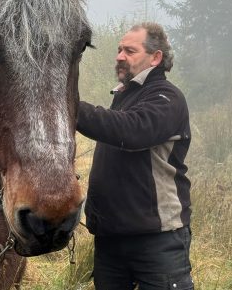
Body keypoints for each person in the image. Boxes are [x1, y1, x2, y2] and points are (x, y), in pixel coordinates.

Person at [77, 22, 194, 290]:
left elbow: (132, 131)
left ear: (156, 57)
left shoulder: (167, 97)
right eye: (119, 50)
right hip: (111, 240)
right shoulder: (124, 96)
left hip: (157, 242)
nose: (119, 56)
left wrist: (68, 105)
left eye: (130, 50)